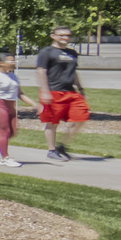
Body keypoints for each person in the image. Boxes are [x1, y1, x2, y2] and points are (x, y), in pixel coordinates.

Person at [34, 25, 91, 162]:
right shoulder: (46, 52)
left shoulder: (72, 53)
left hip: (70, 91)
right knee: (52, 123)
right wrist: (46, 91)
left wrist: (81, 88)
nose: (65, 38)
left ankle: (62, 146)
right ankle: (51, 150)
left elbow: (73, 72)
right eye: (61, 35)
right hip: (53, 91)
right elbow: (41, 71)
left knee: (81, 117)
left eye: (67, 35)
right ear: (53, 36)